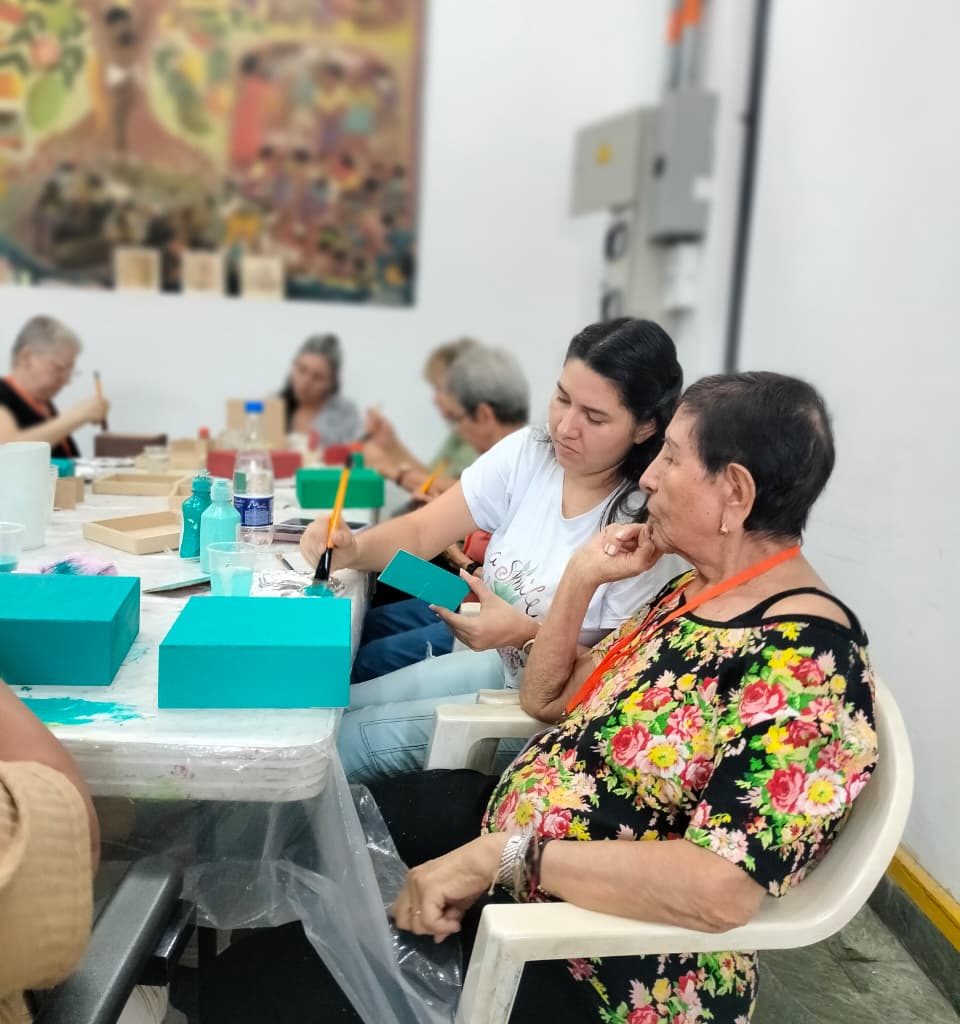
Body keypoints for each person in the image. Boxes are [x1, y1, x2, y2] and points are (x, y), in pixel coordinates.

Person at [202, 372, 879, 1024]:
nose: (648, 477)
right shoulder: (695, 591)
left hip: (597, 963)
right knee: (301, 851)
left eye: (671, 458)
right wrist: (583, 575)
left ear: (735, 492)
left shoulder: (806, 667)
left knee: (252, 990)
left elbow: (718, 891)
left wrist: (503, 857)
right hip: (518, 852)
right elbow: (546, 697)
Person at [302, 318, 686, 783]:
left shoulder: (641, 528)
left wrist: (521, 633)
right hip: (500, 668)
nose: (566, 427)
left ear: (645, 427)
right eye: (562, 398)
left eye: (595, 417)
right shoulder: (529, 453)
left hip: (553, 718)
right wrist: (350, 547)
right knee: (328, 711)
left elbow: (604, 682)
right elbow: (422, 530)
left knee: (334, 747)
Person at [353, 345, 530, 683]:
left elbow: (495, 580)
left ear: (484, 414)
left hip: (471, 598)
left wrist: (455, 553)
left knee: (372, 627)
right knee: (370, 611)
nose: (453, 424)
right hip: (463, 587)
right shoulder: (494, 457)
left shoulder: (514, 467)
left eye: (456, 417)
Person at [362, 337, 481, 495]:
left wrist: (386, 467)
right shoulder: (458, 436)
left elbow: (457, 493)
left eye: (439, 389)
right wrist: (390, 444)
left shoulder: (479, 440)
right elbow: (431, 478)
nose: (434, 399)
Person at [0, 316, 109, 458]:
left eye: (69, 372)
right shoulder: (3, 394)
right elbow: (6, 450)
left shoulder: (44, 404)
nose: (66, 381)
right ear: (27, 357)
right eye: (59, 368)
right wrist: (78, 416)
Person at [279, 334, 361, 445]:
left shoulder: (345, 414)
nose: (305, 383)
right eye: (302, 370)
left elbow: (355, 450)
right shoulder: (272, 406)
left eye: (317, 377)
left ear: (331, 383)